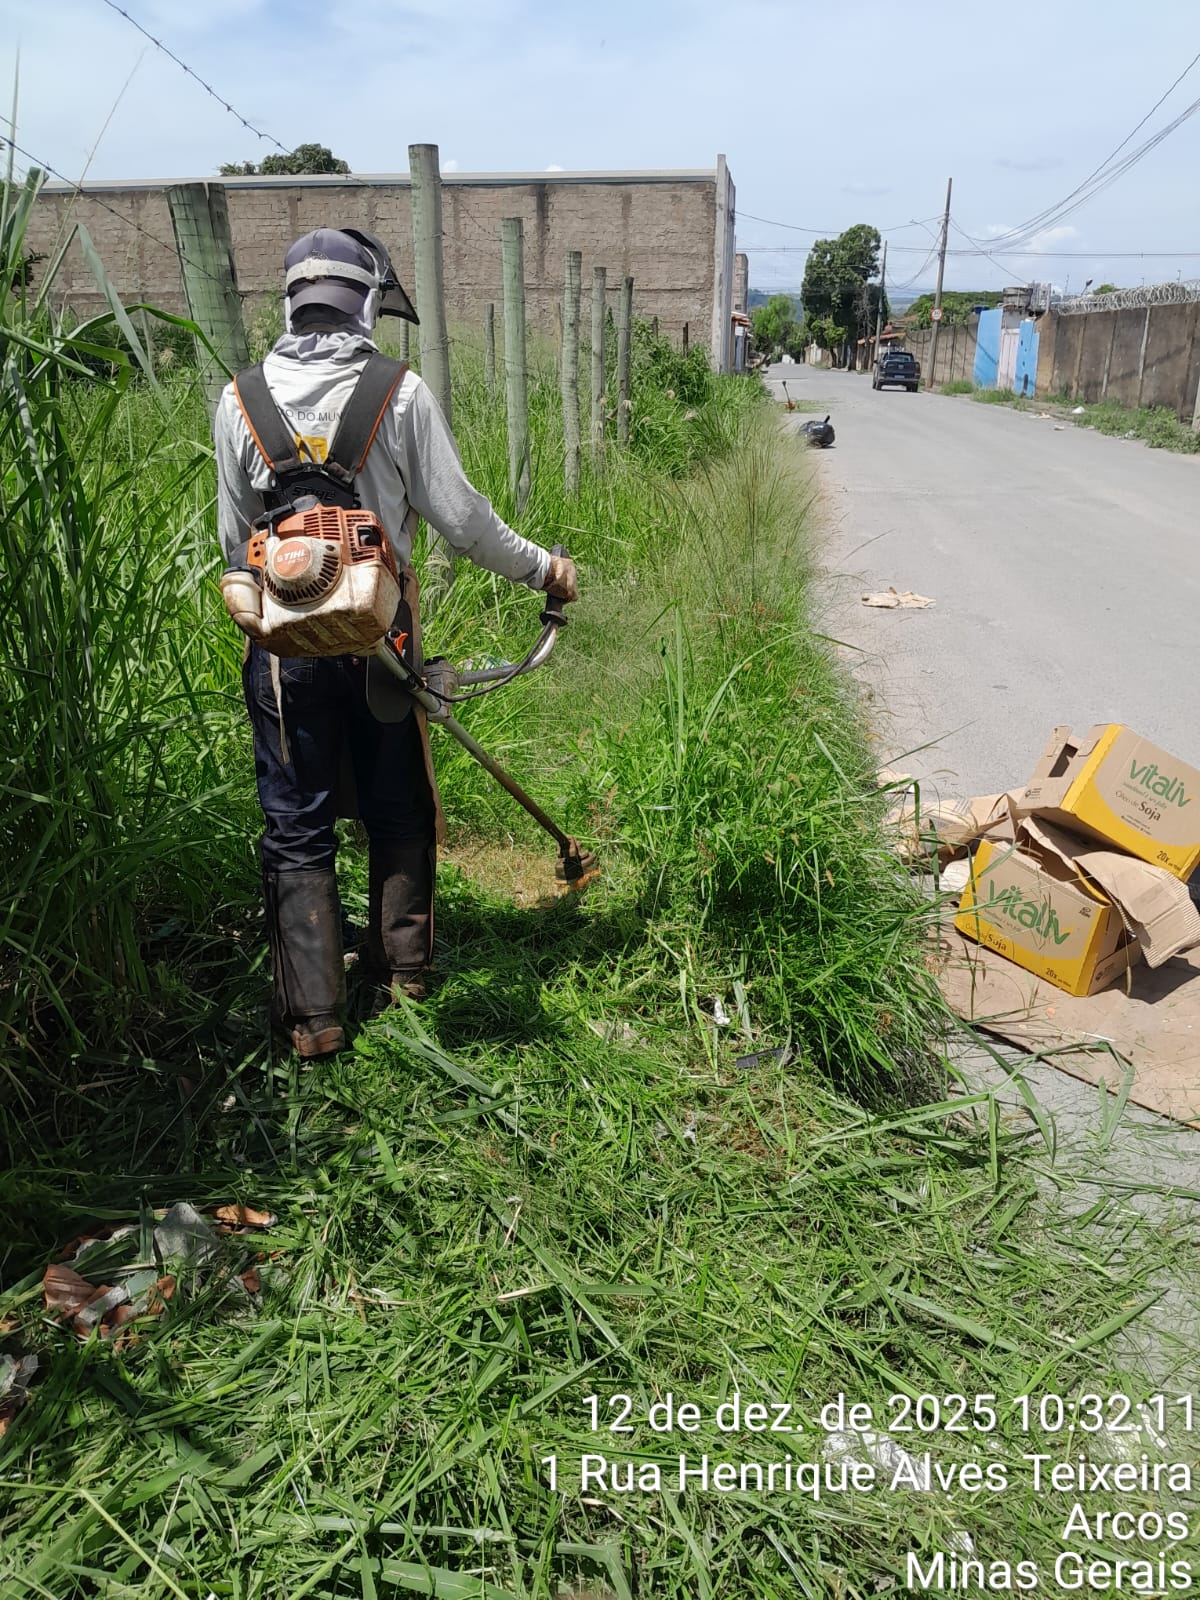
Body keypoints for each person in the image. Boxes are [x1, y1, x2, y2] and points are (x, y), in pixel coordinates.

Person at [213, 227, 578, 1059]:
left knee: (296, 823)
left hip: (283, 650)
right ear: (366, 305)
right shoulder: (398, 393)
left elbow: (238, 545)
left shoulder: (239, 400)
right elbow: (464, 522)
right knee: (396, 802)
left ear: (292, 302)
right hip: (384, 637)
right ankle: (404, 976)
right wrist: (546, 569)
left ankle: (313, 1022)